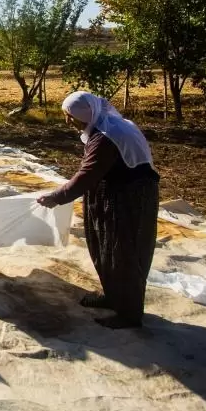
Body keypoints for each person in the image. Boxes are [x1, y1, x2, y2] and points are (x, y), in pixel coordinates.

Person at [36, 91, 159, 330]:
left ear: (85, 114)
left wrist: (56, 197)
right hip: (116, 193)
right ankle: (114, 297)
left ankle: (129, 314)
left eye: (70, 116)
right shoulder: (108, 125)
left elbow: (87, 175)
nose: (68, 122)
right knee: (106, 249)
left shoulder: (106, 136)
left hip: (128, 199)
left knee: (123, 253)